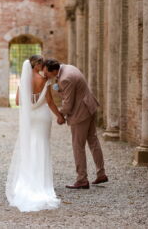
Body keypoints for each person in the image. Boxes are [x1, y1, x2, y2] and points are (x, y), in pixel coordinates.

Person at [6, 55, 62, 212]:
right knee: (42, 146)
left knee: (31, 146)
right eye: (41, 63)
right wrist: (60, 115)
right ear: (36, 65)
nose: (43, 65)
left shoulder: (24, 80)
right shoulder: (44, 80)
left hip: (30, 118)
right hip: (43, 117)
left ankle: (29, 180)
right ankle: (42, 182)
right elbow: (50, 102)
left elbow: (18, 102)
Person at [43, 59, 108, 189]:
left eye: (46, 73)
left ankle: (82, 179)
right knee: (93, 141)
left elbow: (68, 103)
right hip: (89, 106)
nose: (45, 75)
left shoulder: (65, 78)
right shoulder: (68, 67)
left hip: (80, 113)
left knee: (78, 146)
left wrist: (60, 115)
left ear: (54, 70)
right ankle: (101, 173)